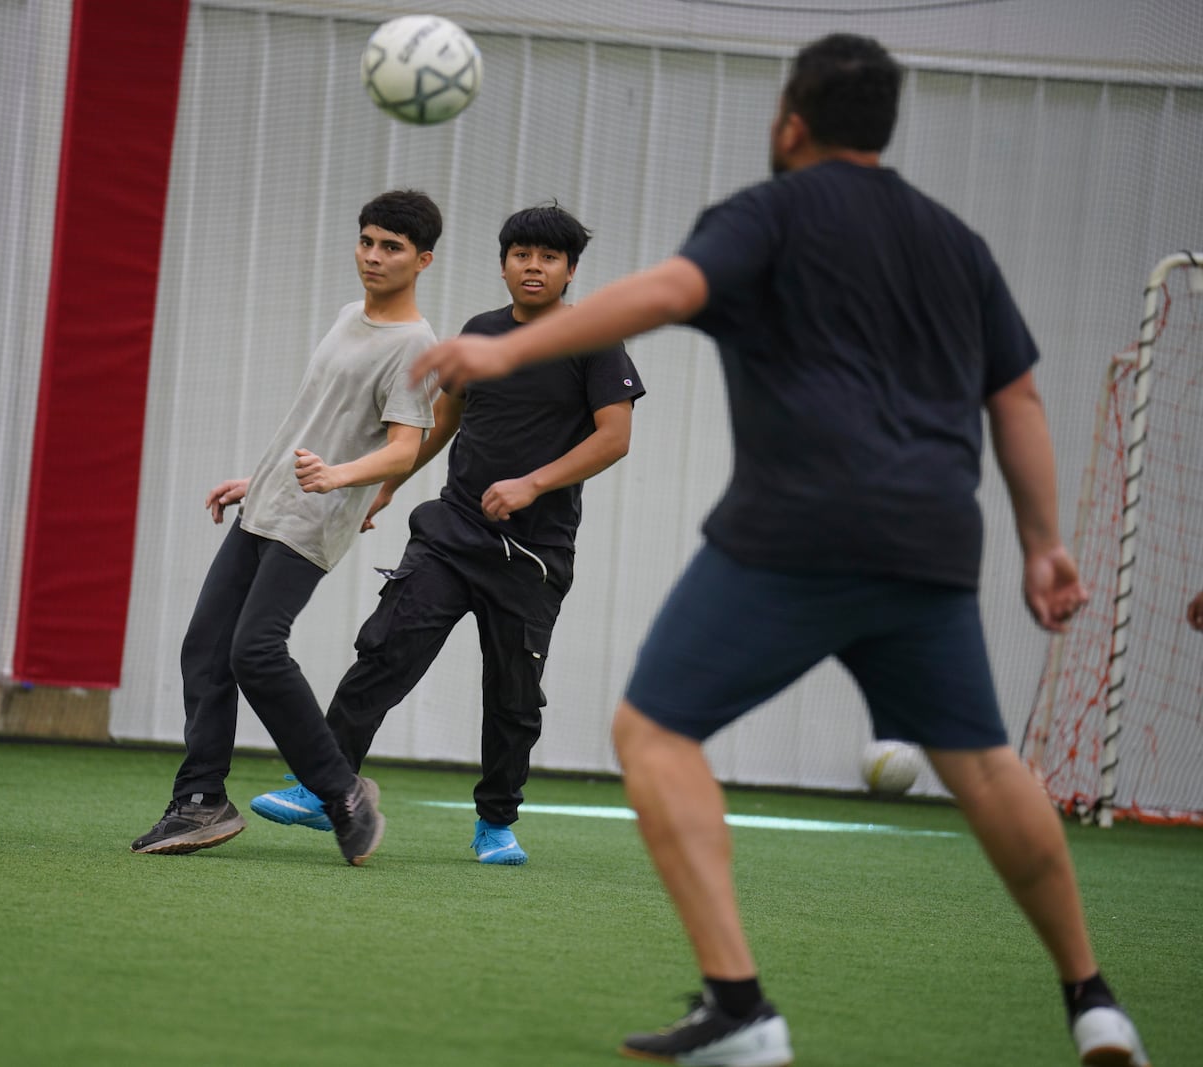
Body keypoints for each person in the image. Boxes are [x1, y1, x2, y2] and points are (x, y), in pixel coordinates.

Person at [411, 34, 1149, 1067]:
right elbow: (1016, 395)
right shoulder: (954, 241)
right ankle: (1095, 999)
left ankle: (741, 1006)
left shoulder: (767, 212)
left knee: (655, 732)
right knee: (984, 763)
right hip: (933, 535)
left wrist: (504, 344)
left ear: (790, 121)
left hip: (796, 529)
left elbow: (666, 293)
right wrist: (1043, 544)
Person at [248, 202, 645, 865]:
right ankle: (324, 787)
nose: (533, 267)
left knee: (514, 696)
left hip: (532, 557)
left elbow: (615, 437)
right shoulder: (479, 333)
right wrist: (392, 482)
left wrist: (533, 484)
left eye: (548, 258)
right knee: (386, 649)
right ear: (503, 264)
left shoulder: (595, 341)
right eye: (521, 254)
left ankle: (495, 823)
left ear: (571, 270)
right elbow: (444, 417)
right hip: (450, 533)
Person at [130, 189, 442, 867]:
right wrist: (261, 476)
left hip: (317, 515)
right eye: (366, 241)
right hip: (271, 500)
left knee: (256, 650)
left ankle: (342, 795)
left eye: (391, 247)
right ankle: (201, 799)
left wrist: (339, 479)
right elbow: (315, 418)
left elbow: (404, 447)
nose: (373, 256)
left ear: (423, 260)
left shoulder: (418, 346)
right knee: (206, 646)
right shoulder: (346, 317)